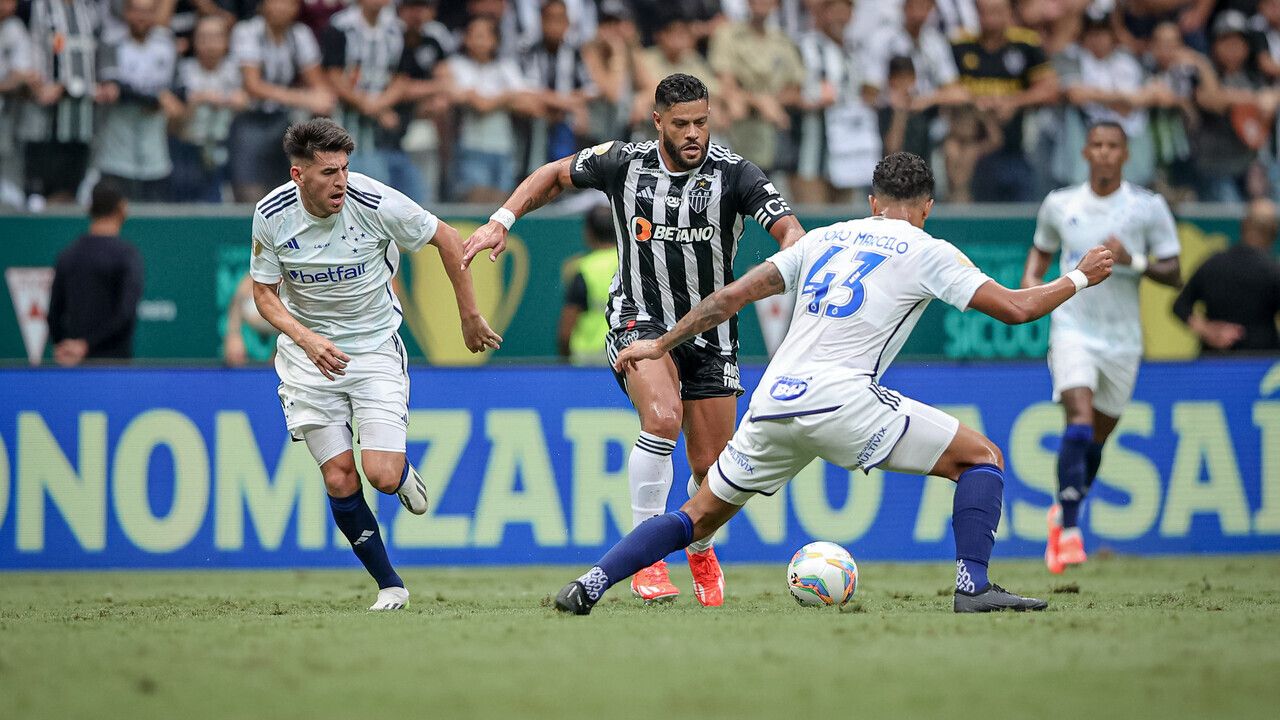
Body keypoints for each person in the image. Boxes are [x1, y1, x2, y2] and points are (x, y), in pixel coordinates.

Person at [552, 151, 1116, 615]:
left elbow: (730, 298)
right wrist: (1079, 276)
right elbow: (1017, 309)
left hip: (773, 401)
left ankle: (590, 583)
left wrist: (661, 344)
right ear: (927, 207)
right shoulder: (930, 250)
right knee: (982, 458)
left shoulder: (823, 238)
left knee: (696, 515)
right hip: (843, 399)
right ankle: (974, 586)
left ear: (872, 202)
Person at [462, 73, 806, 607]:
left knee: (711, 469)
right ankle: (647, 561)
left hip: (712, 332)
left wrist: (792, 256)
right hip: (638, 320)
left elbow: (791, 233)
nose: (694, 134)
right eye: (681, 124)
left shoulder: (736, 174)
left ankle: (700, 546)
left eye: (702, 122)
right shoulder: (625, 162)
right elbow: (554, 174)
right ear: (658, 122)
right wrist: (501, 220)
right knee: (663, 418)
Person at [249, 118, 502, 610]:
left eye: (344, 168)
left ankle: (401, 475)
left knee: (381, 475)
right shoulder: (271, 214)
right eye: (328, 172)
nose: (340, 181)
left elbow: (449, 238)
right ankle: (390, 585)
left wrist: (469, 316)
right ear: (298, 174)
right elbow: (264, 292)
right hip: (308, 359)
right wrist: (305, 339)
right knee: (339, 476)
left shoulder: (375, 201)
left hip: (374, 350)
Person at [1022, 121, 1182, 575]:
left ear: (1125, 154)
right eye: (1097, 145)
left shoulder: (1147, 207)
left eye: (1113, 146)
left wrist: (1135, 260)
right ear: (1086, 152)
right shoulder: (1060, 204)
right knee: (1079, 418)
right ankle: (1072, 532)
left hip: (1123, 340)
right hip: (1072, 328)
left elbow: (1174, 273)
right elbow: (1040, 254)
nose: (1105, 152)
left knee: (1095, 439)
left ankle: (1063, 512)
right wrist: (1034, 287)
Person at [951, 0, 1058, 202]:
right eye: (984, 12)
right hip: (972, 151)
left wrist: (1014, 102)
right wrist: (977, 103)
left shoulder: (1026, 44)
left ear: (1009, 13)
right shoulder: (960, 45)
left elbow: (1050, 90)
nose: (990, 19)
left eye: (996, 12)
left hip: (1016, 149)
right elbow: (945, 89)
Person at [47, 181, 144, 365]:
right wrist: (84, 345)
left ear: (90, 209)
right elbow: (125, 313)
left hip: (75, 364)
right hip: (114, 366)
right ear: (122, 208)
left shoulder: (68, 254)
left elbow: (54, 313)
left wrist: (66, 346)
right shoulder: (127, 255)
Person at [1173, 198, 1280, 354]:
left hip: (1214, 360)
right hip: (1262, 361)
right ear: (1274, 232)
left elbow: (1180, 306)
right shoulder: (1273, 271)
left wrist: (1207, 330)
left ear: (1243, 225)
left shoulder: (1213, 263)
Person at [558, 204, 619, 365]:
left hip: (588, 361)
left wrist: (564, 360)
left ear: (588, 233)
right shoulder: (630, 263)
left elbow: (567, 327)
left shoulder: (584, 268)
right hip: (624, 354)